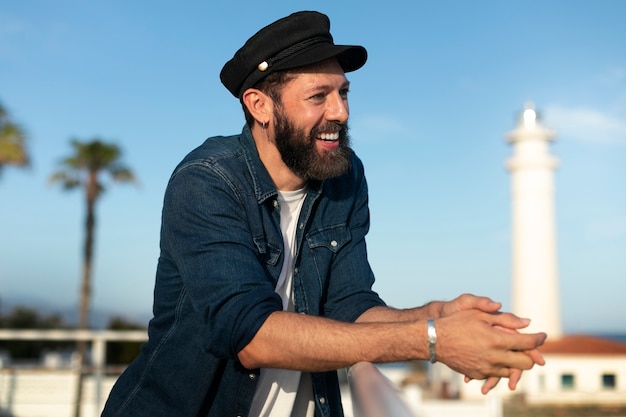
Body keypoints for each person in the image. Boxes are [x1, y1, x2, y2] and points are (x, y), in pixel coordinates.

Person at [101, 10, 547, 417]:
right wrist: (431, 341)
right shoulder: (207, 182)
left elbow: (349, 305)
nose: (341, 112)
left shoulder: (344, 174)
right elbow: (252, 337)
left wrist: (435, 316)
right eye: (319, 96)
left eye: (344, 92)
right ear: (260, 106)